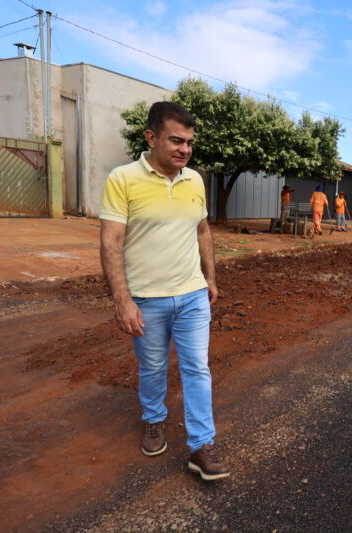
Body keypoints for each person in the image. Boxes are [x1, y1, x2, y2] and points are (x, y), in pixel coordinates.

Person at [99, 101, 229, 481]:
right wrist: (122, 300)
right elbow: (110, 243)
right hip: (146, 299)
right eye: (176, 140)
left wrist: (211, 278)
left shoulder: (195, 179)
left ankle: (202, 445)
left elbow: (202, 230)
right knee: (153, 367)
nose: (184, 150)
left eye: (189, 142)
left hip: (191, 296)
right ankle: (153, 419)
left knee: (197, 369)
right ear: (151, 137)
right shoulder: (122, 179)